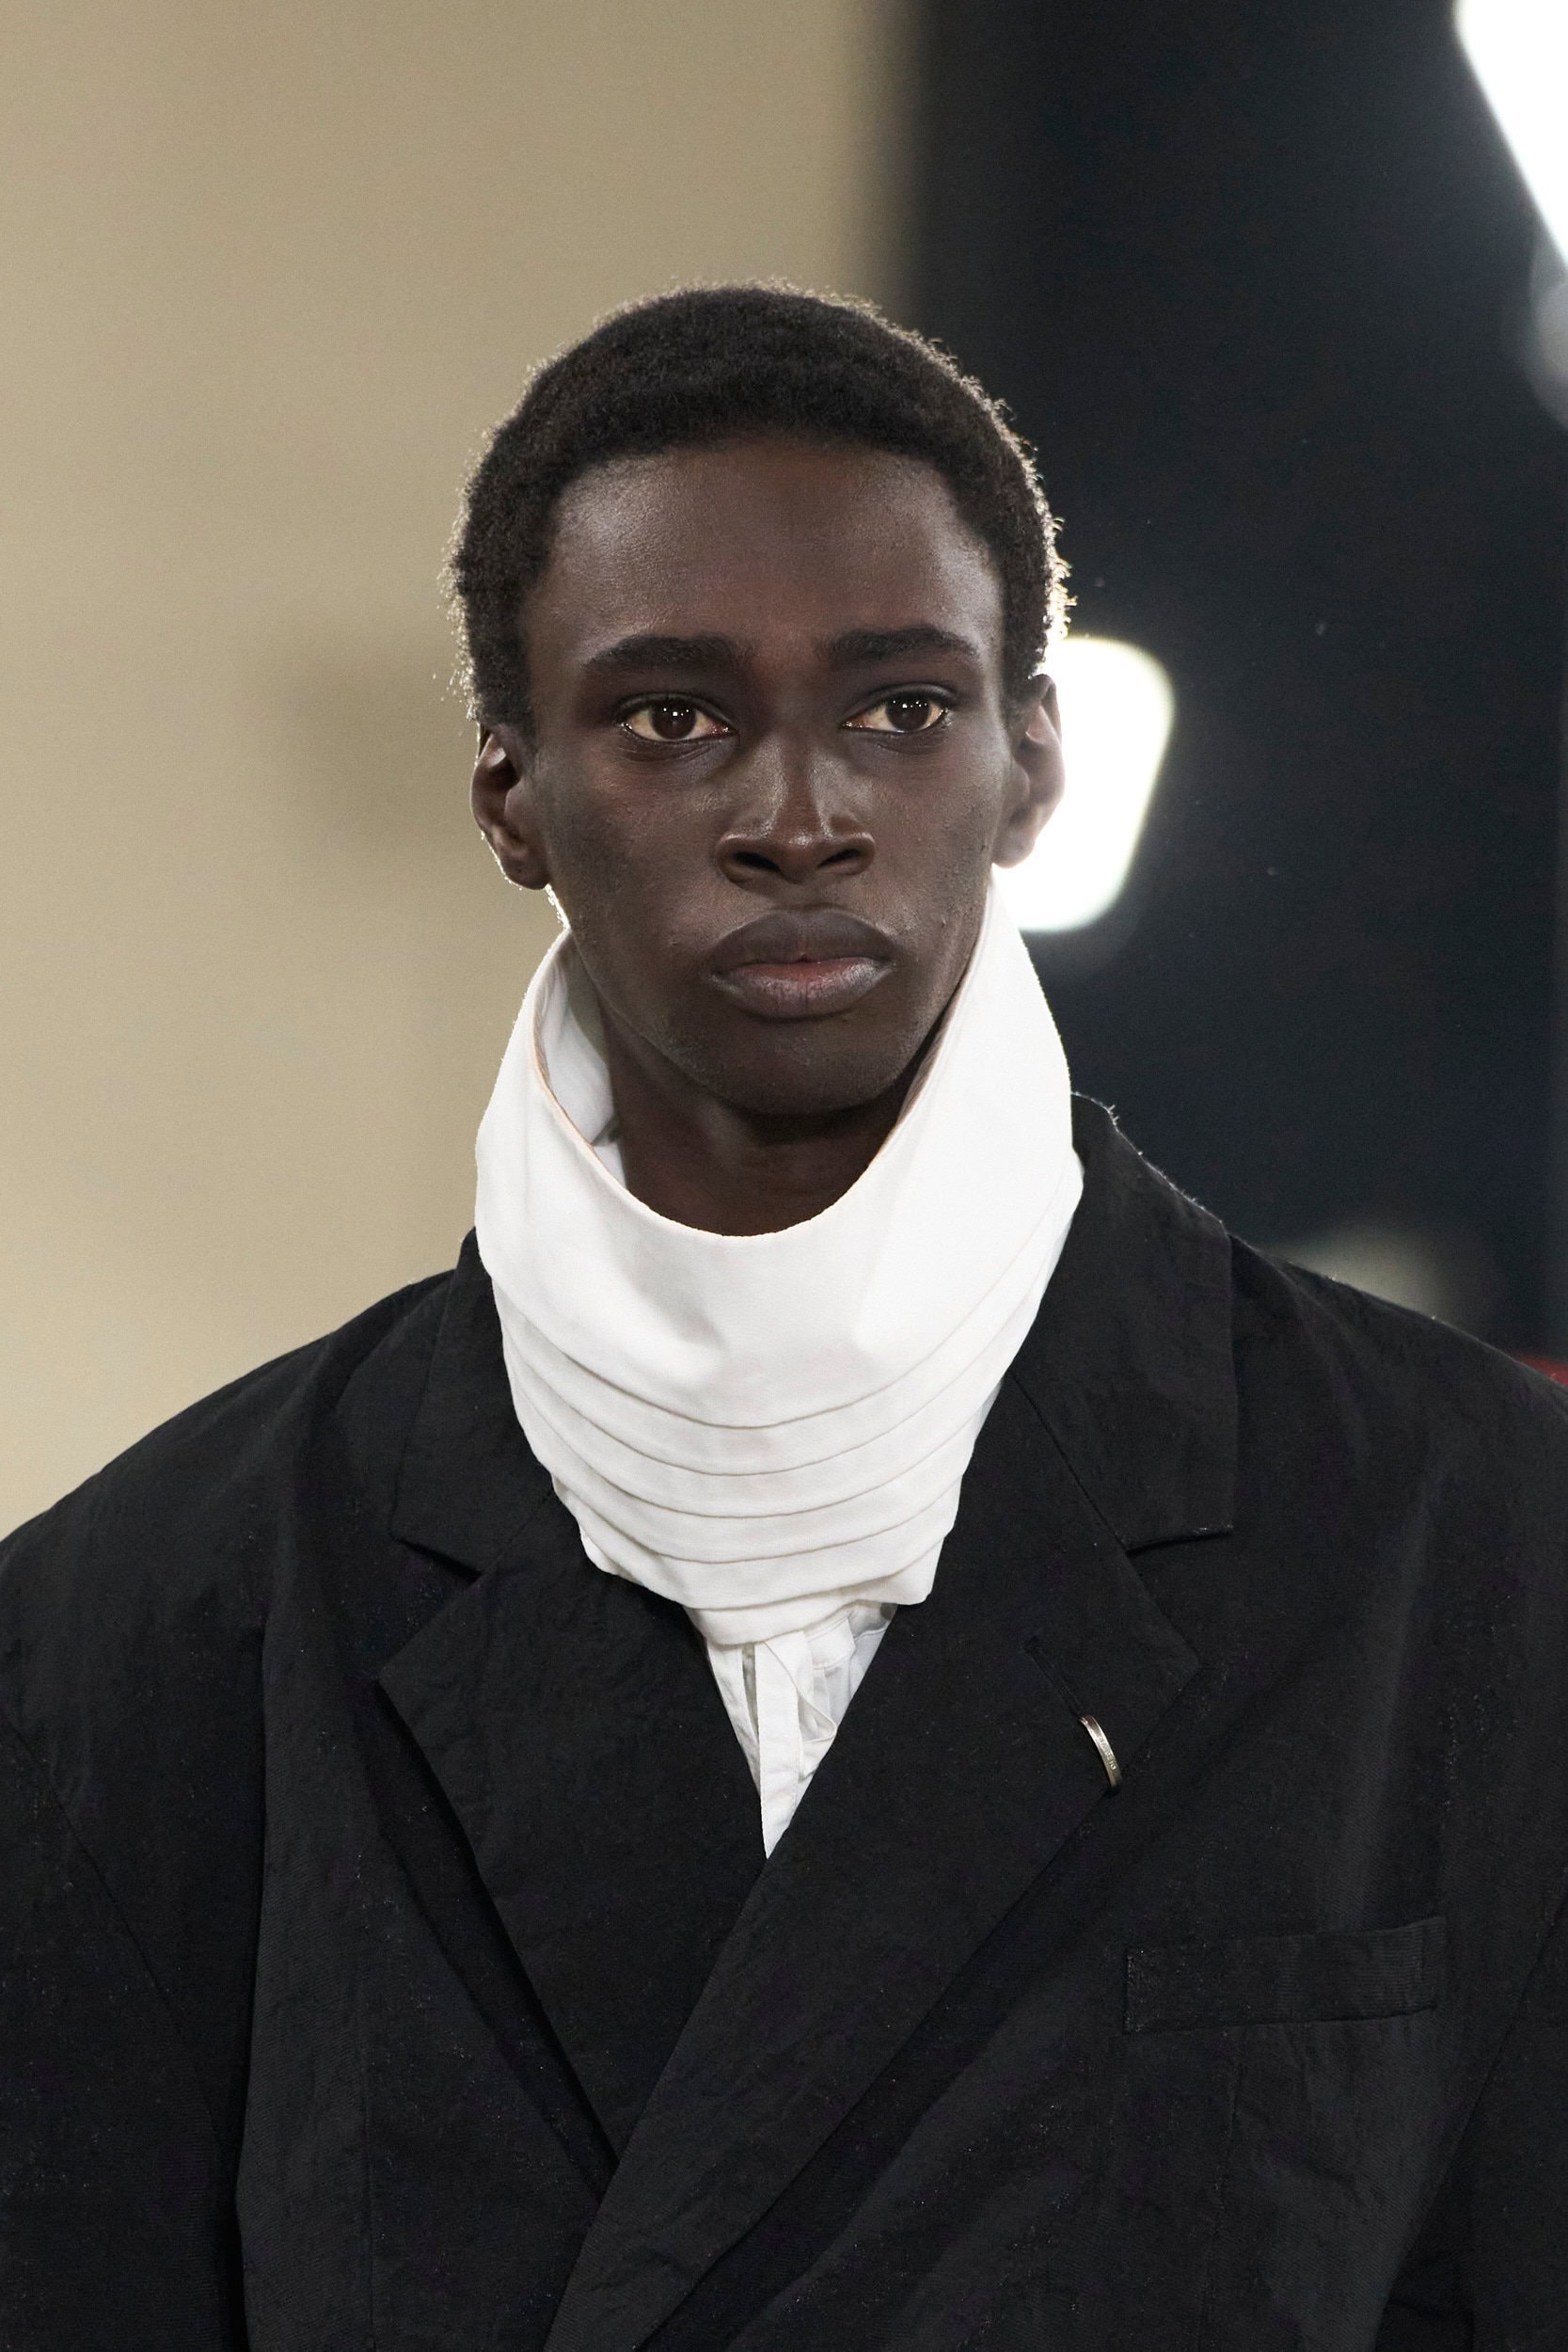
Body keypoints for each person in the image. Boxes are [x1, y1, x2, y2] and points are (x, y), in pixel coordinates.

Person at [2, 286, 1565, 2352]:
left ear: (1032, 765)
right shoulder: (130, 1635)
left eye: (902, 707)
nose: (801, 814)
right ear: (510, 794)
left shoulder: (1485, 1545)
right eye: (673, 717)